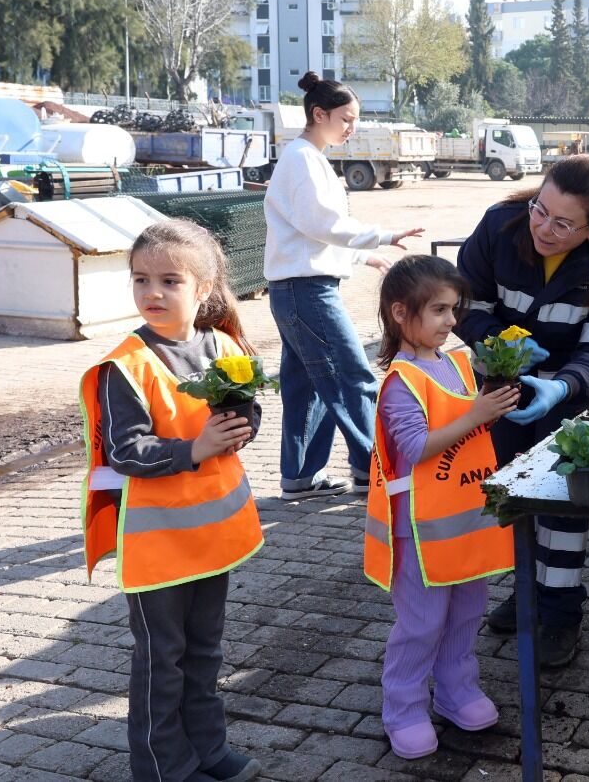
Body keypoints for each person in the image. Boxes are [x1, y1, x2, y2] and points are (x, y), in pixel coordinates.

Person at [79, 219, 265, 782]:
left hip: (215, 539)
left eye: (169, 280)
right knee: (163, 660)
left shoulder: (226, 346)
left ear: (202, 290)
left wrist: (241, 426)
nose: (152, 293)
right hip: (157, 546)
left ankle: (208, 749)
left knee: (205, 651)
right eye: (141, 280)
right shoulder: (126, 365)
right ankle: (164, 768)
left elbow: (249, 409)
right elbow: (125, 451)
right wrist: (195, 447)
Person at [454, 154, 589, 667]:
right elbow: (465, 303)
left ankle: (560, 612)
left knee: (561, 503)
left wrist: (561, 388)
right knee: (515, 495)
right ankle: (526, 589)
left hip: (567, 395)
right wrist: (504, 343)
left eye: (563, 223)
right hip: (504, 387)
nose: (545, 229)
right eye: (541, 210)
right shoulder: (499, 226)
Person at [363, 256, 520, 761]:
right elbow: (416, 446)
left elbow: (468, 432)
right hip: (418, 527)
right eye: (439, 310)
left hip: (467, 520)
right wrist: (479, 412)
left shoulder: (455, 363)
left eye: (455, 310)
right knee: (422, 622)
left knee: (468, 611)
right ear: (399, 313)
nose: (452, 321)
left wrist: (492, 407)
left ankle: (457, 690)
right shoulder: (398, 382)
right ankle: (403, 709)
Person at [264, 73, 422, 499]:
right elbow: (321, 224)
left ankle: (300, 476)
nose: (352, 127)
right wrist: (381, 236)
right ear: (320, 114)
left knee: (308, 384)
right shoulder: (302, 159)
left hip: (299, 288)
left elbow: (311, 232)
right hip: (307, 290)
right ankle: (373, 469)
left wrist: (362, 255)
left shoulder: (307, 157)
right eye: (347, 118)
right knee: (352, 376)